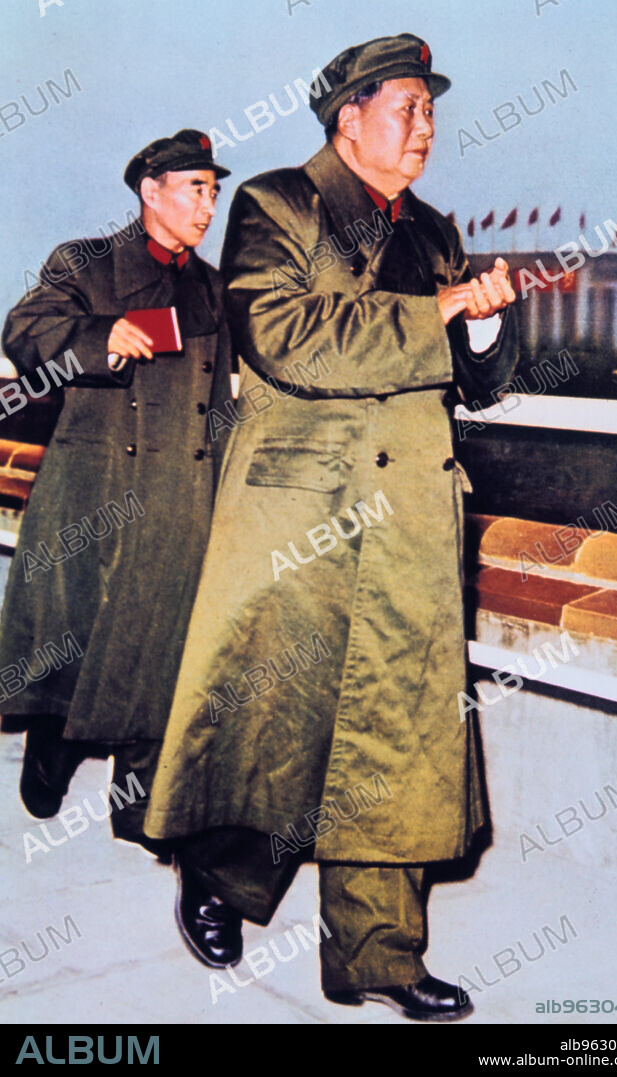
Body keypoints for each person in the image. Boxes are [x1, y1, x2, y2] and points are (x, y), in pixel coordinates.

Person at [145, 35, 518, 1019]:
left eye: (431, 109)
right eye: (407, 107)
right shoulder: (277, 204)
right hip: (298, 517)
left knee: (396, 741)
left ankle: (380, 956)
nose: (426, 126)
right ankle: (219, 875)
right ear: (349, 116)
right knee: (273, 723)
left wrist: (484, 325)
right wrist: (439, 311)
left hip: (409, 526)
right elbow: (287, 336)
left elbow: (476, 384)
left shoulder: (433, 231)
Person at [0, 129, 232, 854]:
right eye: (195, 189)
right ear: (150, 191)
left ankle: (140, 812)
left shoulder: (213, 288)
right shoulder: (85, 263)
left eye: (214, 191)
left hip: (179, 501)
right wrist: (101, 337)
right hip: (95, 491)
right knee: (73, 646)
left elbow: (223, 404)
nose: (208, 205)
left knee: (162, 657)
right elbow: (24, 330)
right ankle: (52, 742)